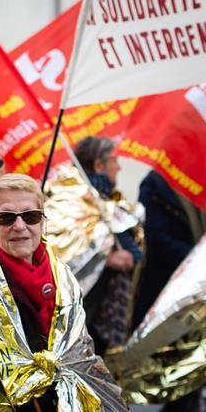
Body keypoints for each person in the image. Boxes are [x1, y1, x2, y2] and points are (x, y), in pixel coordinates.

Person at [0, 173, 156, 412]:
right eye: (6, 218)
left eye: (31, 216)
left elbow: (81, 353)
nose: (20, 226)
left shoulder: (62, 275)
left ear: (43, 221)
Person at [135, 170, 206, 412]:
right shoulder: (155, 184)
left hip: (196, 282)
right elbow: (157, 239)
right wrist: (200, 257)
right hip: (171, 284)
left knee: (195, 353)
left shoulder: (197, 181)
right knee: (179, 357)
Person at [73, 137, 142, 353]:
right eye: (114, 160)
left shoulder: (106, 201)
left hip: (106, 316)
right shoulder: (78, 203)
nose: (119, 167)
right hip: (91, 315)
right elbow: (71, 251)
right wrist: (105, 258)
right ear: (99, 165)